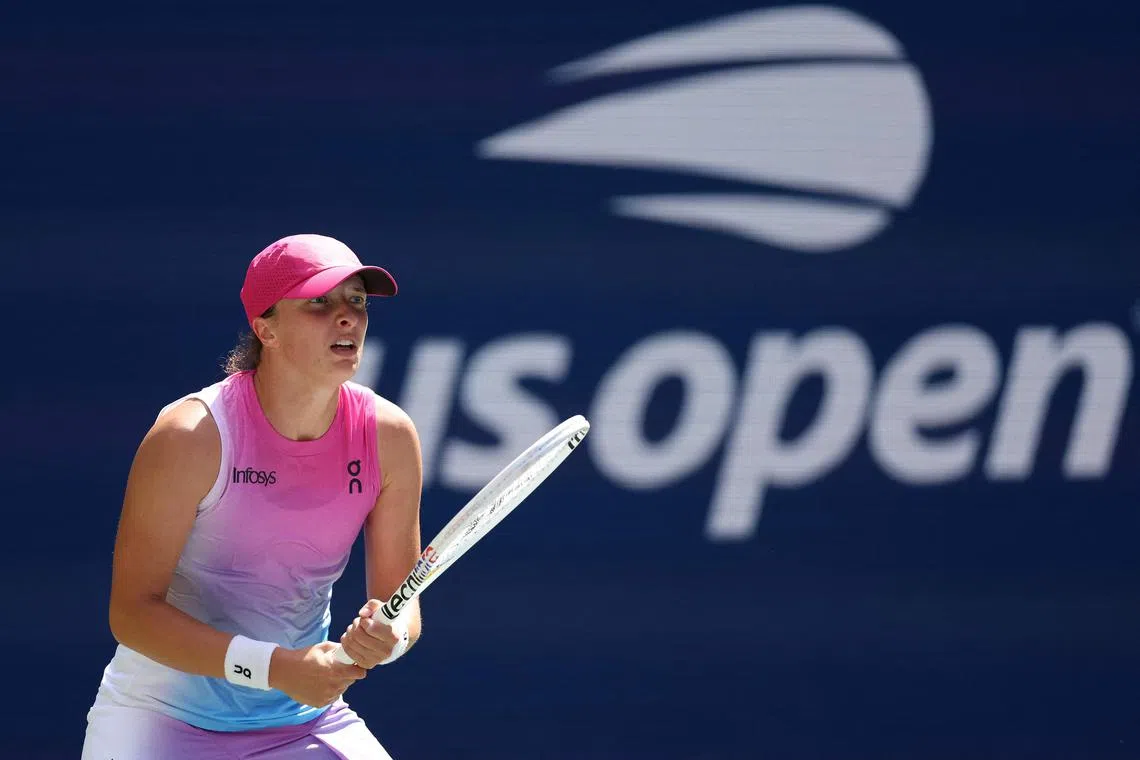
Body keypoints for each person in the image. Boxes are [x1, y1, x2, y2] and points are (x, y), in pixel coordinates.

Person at [81, 234, 425, 760]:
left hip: (303, 723)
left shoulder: (390, 436)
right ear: (266, 328)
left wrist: (389, 639)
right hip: (158, 721)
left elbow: (402, 605)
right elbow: (132, 613)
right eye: (319, 302)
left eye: (357, 300)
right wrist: (278, 668)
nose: (347, 317)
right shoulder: (191, 435)